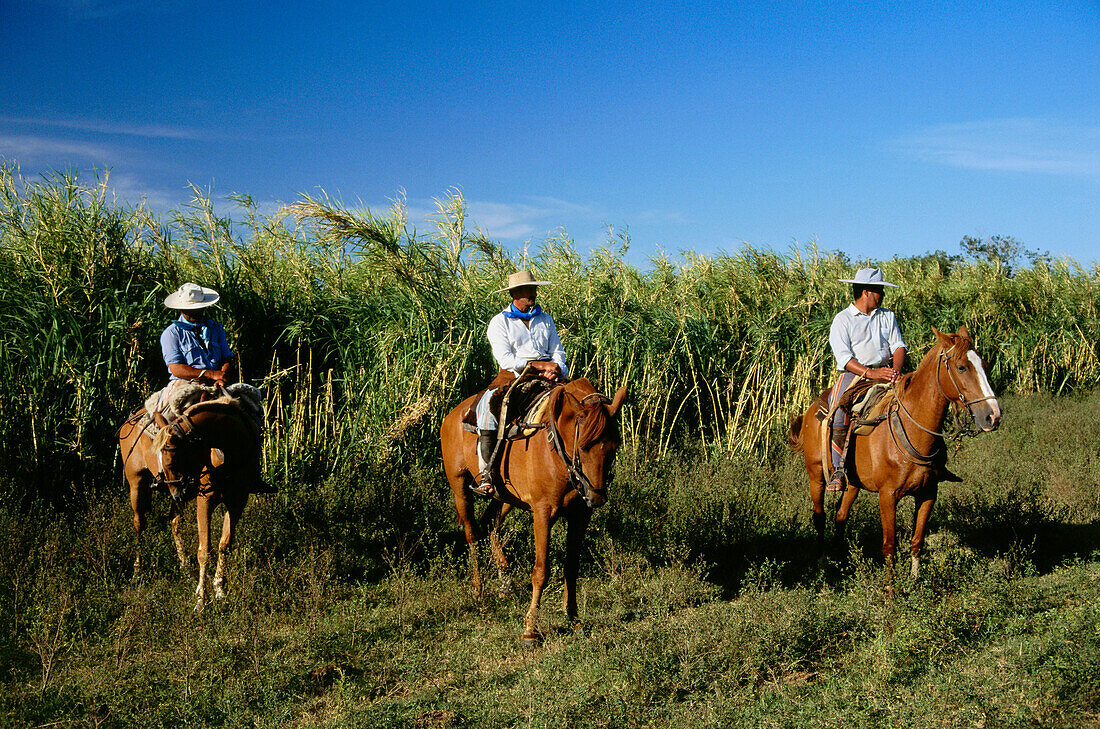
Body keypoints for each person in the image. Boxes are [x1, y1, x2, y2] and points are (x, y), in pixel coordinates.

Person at [158, 282, 275, 493]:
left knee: (251, 411)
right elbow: (175, 367)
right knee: (167, 419)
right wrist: (209, 374)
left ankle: (252, 472)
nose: (195, 312)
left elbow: (226, 357)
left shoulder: (215, 328)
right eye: (190, 309)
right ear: (182, 308)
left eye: (198, 308)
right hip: (187, 382)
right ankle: (164, 472)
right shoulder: (172, 333)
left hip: (217, 381)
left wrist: (222, 375)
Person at [472, 270, 569, 497]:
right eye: (528, 290)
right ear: (515, 293)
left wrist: (556, 369)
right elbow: (506, 359)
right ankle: (486, 474)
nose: (533, 294)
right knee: (487, 407)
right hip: (513, 376)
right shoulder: (499, 322)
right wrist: (538, 366)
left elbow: (558, 351)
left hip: (549, 376)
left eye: (534, 289)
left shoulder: (545, 319)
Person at [825, 267, 907, 492]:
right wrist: (871, 374)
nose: (883, 295)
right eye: (879, 290)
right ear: (867, 292)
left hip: (886, 370)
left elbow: (898, 345)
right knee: (839, 408)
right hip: (856, 375)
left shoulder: (887, 316)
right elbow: (844, 358)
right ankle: (837, 469)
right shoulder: (843, 320)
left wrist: (896, 369)